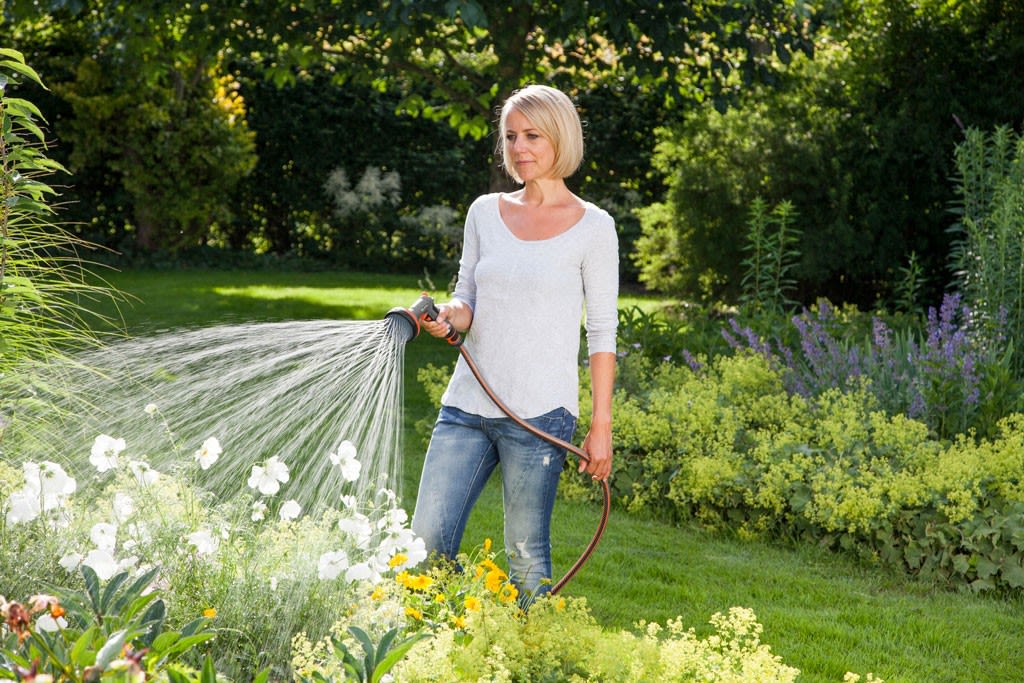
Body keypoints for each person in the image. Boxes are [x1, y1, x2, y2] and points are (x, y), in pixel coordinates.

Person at [411, 84, 618, 602]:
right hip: (466, 405)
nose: (518, 147)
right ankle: (437, 640)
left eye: (532, 136)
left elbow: (601, 332)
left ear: (561, 138)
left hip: (540, 415)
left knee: (526, 557)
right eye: (510, 136)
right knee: (425, 544)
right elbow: (467, 298)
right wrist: (449, 316)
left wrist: (601, 426)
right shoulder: (484, 212)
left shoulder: (594, 228)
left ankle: (530, 645)